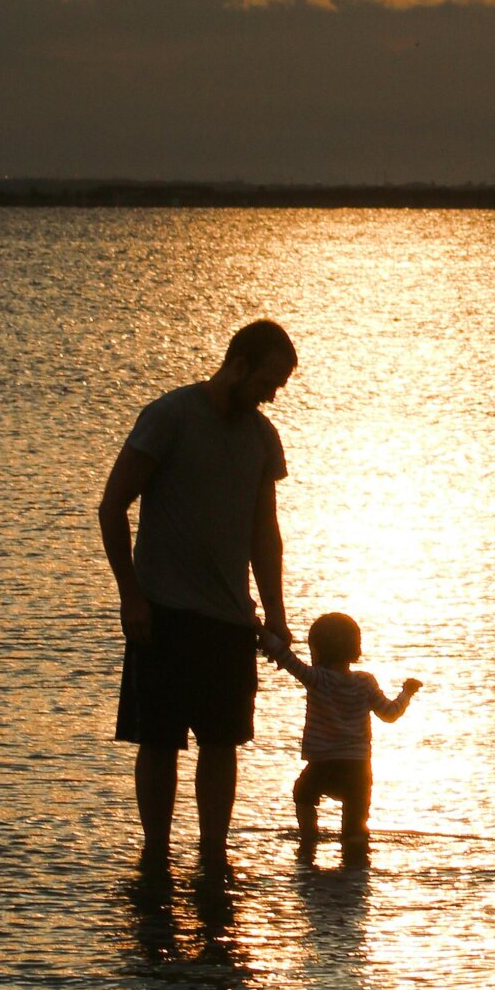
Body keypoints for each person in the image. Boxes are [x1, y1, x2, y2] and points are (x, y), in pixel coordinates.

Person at [99, 318, 297, 871]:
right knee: (159, 742)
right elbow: (112, 506)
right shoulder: (170, 417)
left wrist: (277, 617)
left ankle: (213, 858)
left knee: (221, 744)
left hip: (229, 621)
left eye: (279, 385)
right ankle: (156, 856)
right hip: (160, 613)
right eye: (269, 380)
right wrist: (131, 597)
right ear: (239, 365)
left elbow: (265, 535)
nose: (272, 394)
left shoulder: (262, 439)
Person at [269, 611, 420, 858]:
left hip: (323, 764)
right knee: (354, 832)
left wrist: (259, 630)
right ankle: (356, 878)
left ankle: (308, 843)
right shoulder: (365, 682)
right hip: (358, 769)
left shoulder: (317, 679)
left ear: (316, 650)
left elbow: (286, 658)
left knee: (303, 793)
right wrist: (407, 693)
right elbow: (390, 714)